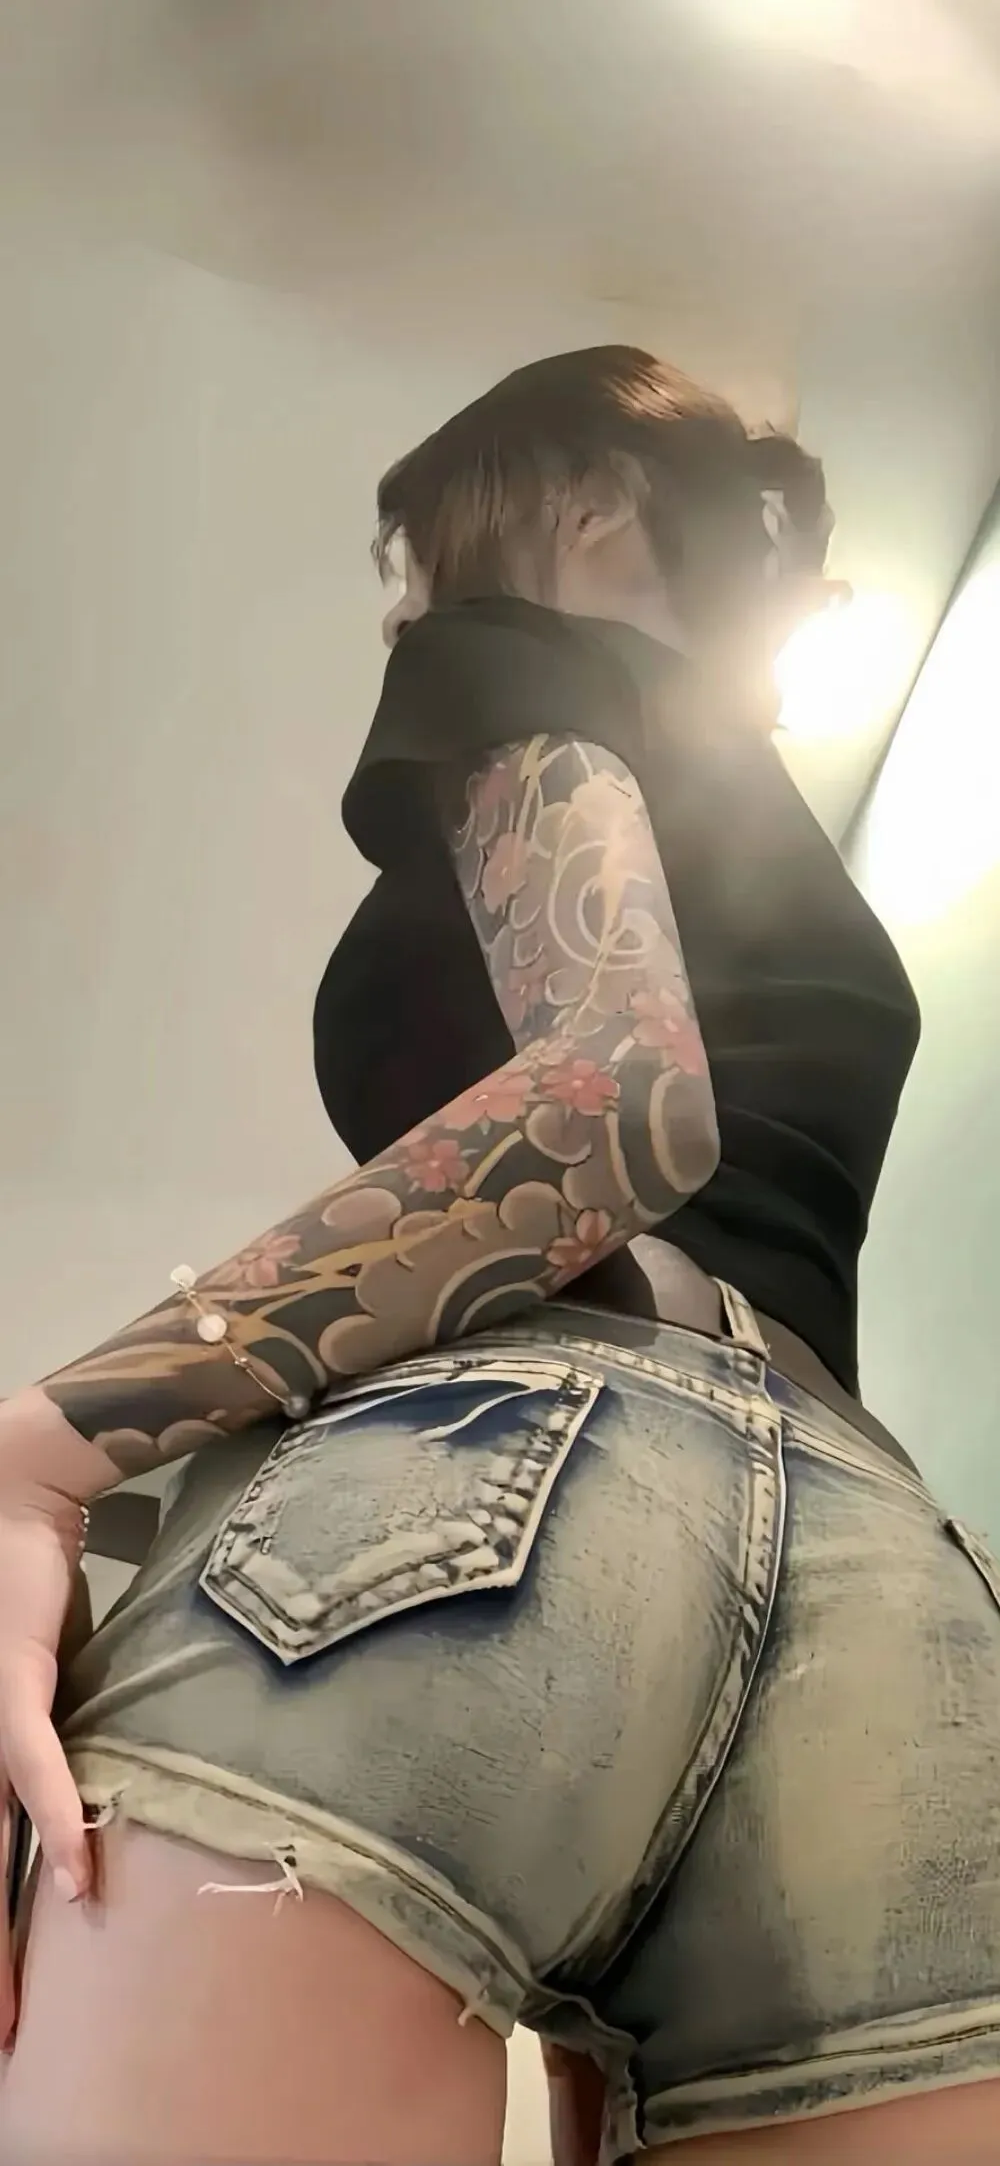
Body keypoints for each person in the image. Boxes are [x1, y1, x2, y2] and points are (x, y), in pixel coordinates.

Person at [1, 346, 999, 2166]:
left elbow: (610, 1107)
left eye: (423, 560)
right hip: (894, 1597)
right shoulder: (801, 866)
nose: (412, 616)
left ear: (585, 508)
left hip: (507, 1471)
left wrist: (43, 1446)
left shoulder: (507, 661)